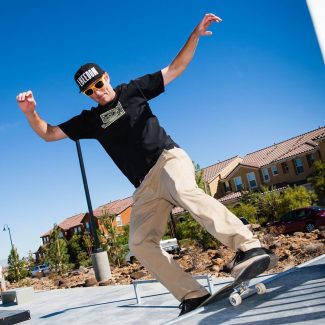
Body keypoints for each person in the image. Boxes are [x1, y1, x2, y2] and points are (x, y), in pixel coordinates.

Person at [17, 13, 277, 315]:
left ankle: (248, 246)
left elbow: (176, 68)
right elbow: (49, 134)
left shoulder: (132, 91)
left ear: (107, 77)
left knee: (185, 191)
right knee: (139, 243)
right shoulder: (89, 120)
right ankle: (191, 294)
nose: (98, 92)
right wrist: (30, 113)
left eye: (99, 83)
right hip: (144, 186)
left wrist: (194, 35)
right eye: (90, 91)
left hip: (167, 159)